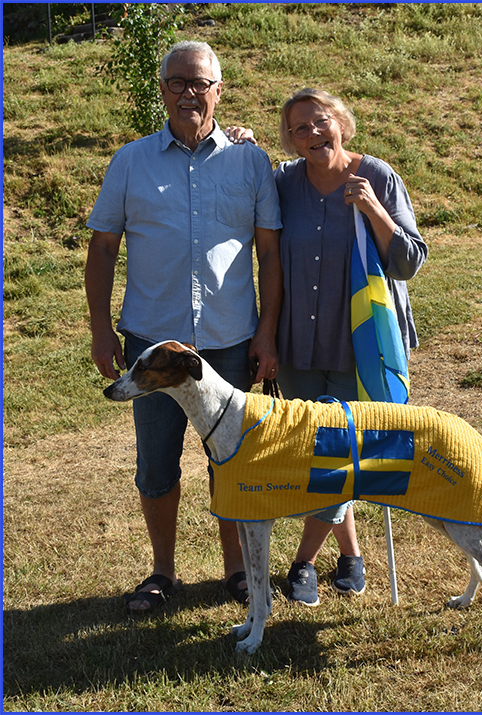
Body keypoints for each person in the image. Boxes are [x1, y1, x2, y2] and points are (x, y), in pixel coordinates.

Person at [85, 40, 283, 611]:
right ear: (163, 90)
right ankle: (163, 573)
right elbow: (102, 251)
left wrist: (266, 334)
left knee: (233, 463)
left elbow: (268, 256)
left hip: (228, 341)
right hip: (150, 343)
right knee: (155, 461)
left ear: (219, 90)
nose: (189, 94)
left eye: (201, 84)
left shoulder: (252, 162)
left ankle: (236, 570)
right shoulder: (131, 160)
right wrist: (101, 329)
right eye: (178, 82)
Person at [273, 88, 428, 606]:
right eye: (300, 129)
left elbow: (409, 262)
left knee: (343, 456)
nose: (313, 134)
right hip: (298, 344)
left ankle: (301, 564)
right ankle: (352, 558)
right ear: (290, 140)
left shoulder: (378, 176)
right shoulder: (284, 184)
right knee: (316, 454)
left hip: (361, 343)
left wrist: (372, 208)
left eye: (321, 122)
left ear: (342, 122)